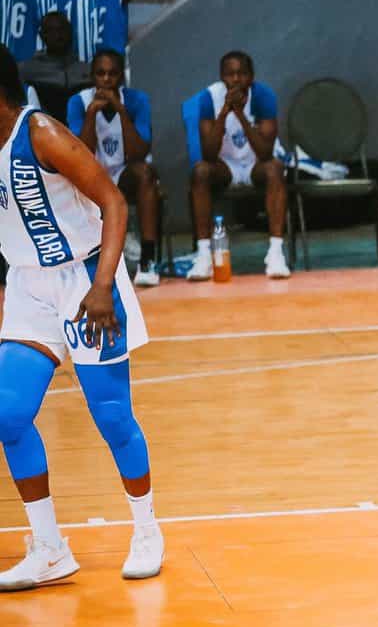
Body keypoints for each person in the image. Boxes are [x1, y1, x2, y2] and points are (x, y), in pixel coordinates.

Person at [0, 45, 164, 591]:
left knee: (112, 415)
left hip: (86, 277)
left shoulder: (41, 132)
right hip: (28, 283)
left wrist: (101, 287)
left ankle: (146, 529)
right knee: (9, 414)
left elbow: (114, 202)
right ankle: (49, 548)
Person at [188, 51, 289, 280]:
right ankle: (204, 255)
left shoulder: (263, 96)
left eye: (242, 74)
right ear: (222, 77)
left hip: (256, 164)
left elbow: (264, 152)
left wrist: (241, 114)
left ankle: (275, 252)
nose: (236, 80)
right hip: (225, 166)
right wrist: (225, 111)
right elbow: (208, 153)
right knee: (200, 171)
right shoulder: (209, 98)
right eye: (230, 74)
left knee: (275, 168)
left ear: (251, 76)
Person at [67, 48, 162, 288]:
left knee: (145, 173)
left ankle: (148, 259)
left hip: (124, 173)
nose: (107, 79)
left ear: (122, 77)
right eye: (101, 73)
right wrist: (91, 115)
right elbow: (80, 156)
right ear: (92, 77)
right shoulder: (78, 102)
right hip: (91, 176)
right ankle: (83, 265)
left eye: (113, 74)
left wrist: (120, 110)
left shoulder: (136, 100)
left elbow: (138, 153)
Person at [18, 11, 91, 120]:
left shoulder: (88, 69)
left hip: (82, 128)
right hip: (44, 128)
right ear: (42, 35)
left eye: (62, 29)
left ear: (70, 32)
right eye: (51, 31)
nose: (58, 35)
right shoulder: (26, 69)